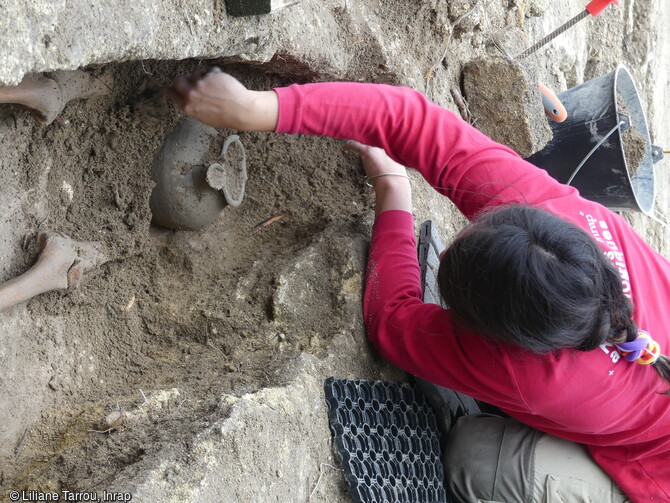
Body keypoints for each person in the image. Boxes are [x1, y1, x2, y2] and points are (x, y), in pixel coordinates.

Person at [169, 68, 670, 502]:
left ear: (500, 340)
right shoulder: (563, 217)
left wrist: (394, 190)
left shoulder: (532, 376)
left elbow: (392, 321)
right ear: (521, 214)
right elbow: (412, 120)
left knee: (474, 457)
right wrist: (259, 108)